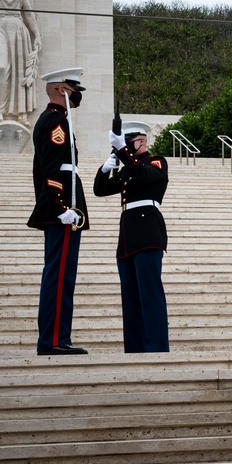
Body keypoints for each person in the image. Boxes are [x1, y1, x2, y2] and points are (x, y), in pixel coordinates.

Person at [27, 68, 89, 355]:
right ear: (59, 90)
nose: (77, 95)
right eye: (73, 88)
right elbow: (51, 170)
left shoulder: (58, 120)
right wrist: (62, 208)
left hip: (63, 207)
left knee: (64, 275)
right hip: (61, 209)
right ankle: (52, 340)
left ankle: (58, 337)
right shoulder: (55, 122)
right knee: (59, 274)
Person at [93, 121, 170, 352]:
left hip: (148, 233)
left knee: (150, 294)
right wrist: (105, 169)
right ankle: (134, 348)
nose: (124, 147)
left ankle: (156, 347)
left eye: (128, 143)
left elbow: (144, 175)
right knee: (130, 298)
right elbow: (100, 190)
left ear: (142, 141)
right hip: (127, 237)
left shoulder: (156, 161)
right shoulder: (128, 167)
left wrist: (124, 154)